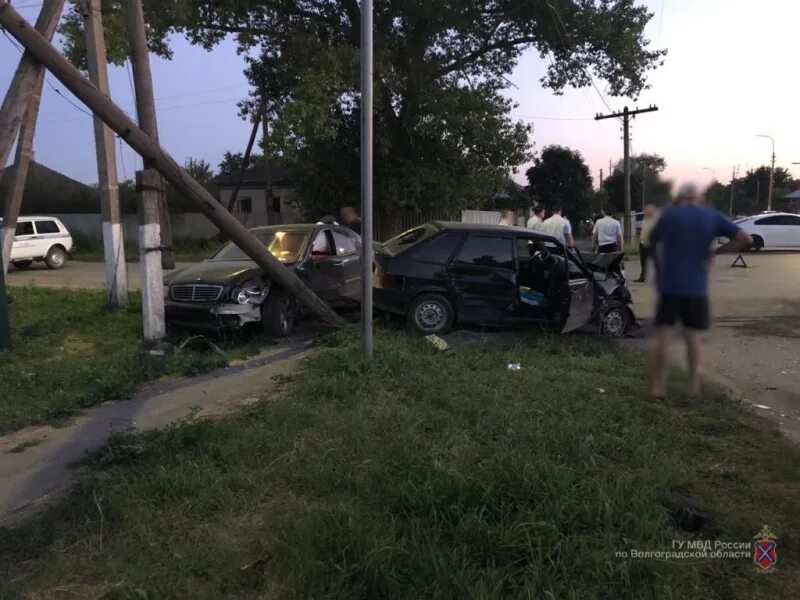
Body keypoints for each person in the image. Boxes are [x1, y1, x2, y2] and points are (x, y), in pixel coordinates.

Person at [649, 183, 752, 399]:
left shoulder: (668, 215)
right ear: (698, 197)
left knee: (663, 337)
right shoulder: (712, 216)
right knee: (693, 339)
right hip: (696, 289)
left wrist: (660, 267)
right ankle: (694, 386)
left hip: (670, 287)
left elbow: (652, 241)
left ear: (680, 197)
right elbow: (745, 239)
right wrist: (716, 251)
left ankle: (659, 386)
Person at [634, 204, 658, 282]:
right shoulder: (644, 219)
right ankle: (643, 276)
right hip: (642, 243)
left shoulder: (655, 220)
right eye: (645, 211)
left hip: (652, 244)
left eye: (646, 211)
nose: (644, 212)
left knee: (655, 262)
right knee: (643, 261)